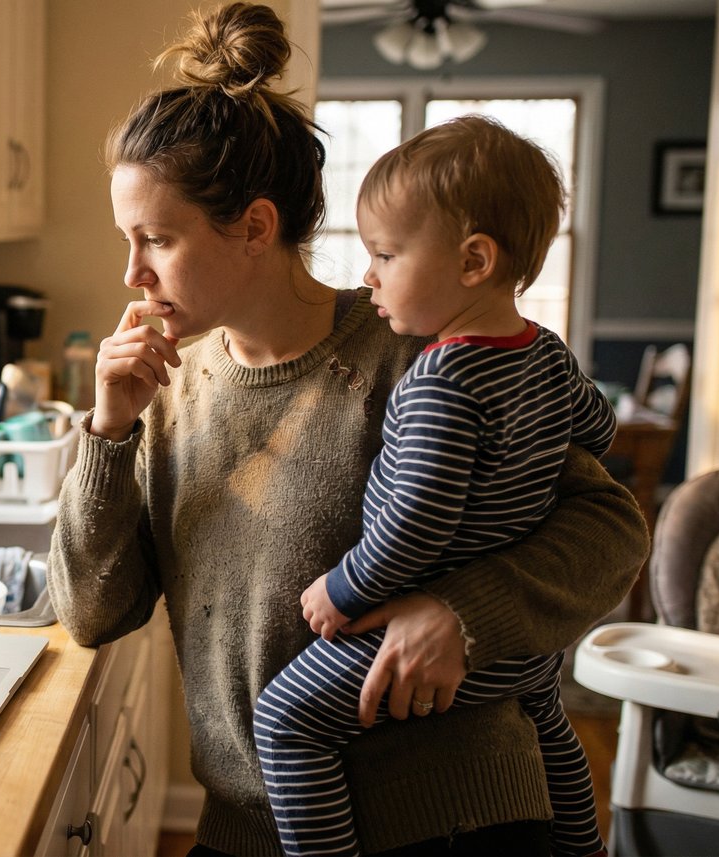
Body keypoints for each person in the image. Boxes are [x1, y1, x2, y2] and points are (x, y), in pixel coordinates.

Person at [44, 4, 647, 856]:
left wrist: (461, 613)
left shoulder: (422, 349)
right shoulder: (165, 392)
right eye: (126, 240)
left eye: (157, 240)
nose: (132, 273)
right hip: (262, 828)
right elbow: (93, 613)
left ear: (255, 227)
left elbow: (613, 529)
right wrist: (107, 432)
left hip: (454, 819)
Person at [251, 115, 614, 857]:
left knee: (285, 718)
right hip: (519, 649)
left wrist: (345, 590)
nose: (368, 275)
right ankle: (585, 847)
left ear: (474, 260)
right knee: (547, 717)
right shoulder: (546, 355)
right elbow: (598, 432)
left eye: (385, 254)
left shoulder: (440, 381)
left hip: (420, 634)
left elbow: (416, 521)